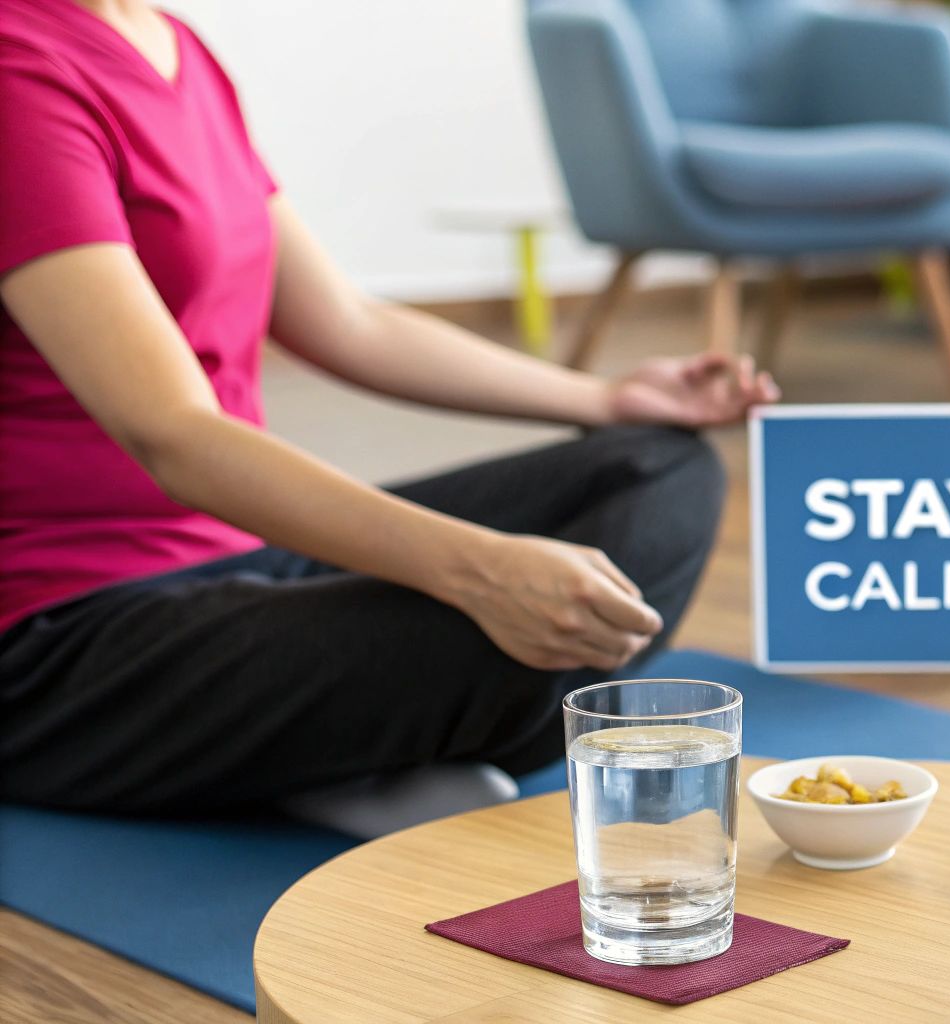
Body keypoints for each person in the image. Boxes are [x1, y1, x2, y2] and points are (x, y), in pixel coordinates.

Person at [0, 0, 776, 832]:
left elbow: (349, 323)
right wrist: (478, 571)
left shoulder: (177, 46)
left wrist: (606, 400)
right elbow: (173, 434)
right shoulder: (19, 69)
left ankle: (317, 746)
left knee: (657, 469)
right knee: (503, 619)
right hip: (66, 636)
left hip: (240, 563)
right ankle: (326, 745)